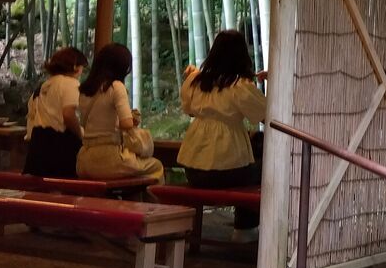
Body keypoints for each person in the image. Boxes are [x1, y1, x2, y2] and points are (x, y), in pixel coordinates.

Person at [178, 29, 267, 239]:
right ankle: (245, 228)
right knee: (265, 165)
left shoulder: (196, 81)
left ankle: (245, 227)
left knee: (252, 158)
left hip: (194, 171)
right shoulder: (239, 86)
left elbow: (189, 110)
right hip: (227, 172)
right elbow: (268, 115)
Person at [76, 43, 163, 183]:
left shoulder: (85, 90)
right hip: (110, 159)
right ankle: (144, 199)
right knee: (156, 166)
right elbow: (126, 124)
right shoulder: (116, 87)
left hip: (85, 160)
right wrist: (132, 119)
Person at [23, 46, 87, 178]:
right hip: (59, 144)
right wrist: (80, 134)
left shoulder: (46, 85)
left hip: (38, 142)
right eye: (82, 67)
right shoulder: (70, 83)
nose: (81, 72)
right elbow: (68, 114)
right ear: (75, 66)